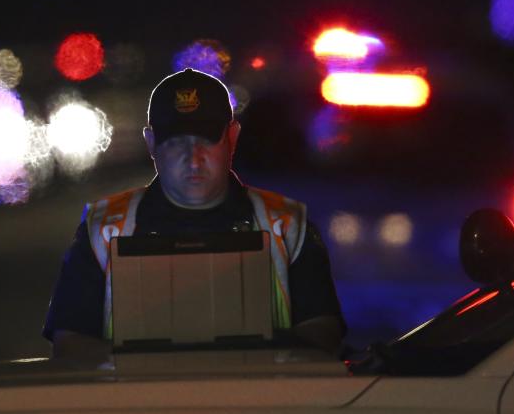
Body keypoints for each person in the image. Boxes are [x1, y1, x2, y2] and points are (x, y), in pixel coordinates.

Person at [43, 68, 346, 360]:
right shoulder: (102, 229)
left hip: (258, 406)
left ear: (232, 137)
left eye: (206, 139)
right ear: (151, 143)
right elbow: (70, 344)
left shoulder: (288, 224)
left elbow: (324, 334)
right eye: (176, 143)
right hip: (142, 409)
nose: (193, 158)